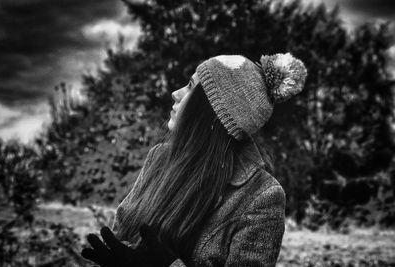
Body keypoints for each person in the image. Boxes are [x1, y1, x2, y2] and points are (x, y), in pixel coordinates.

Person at [81, 52, 307, 267]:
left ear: (211, 111)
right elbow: (122, 229)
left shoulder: (261, 197)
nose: (175, 93)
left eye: (190, 87)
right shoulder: (158, 158)